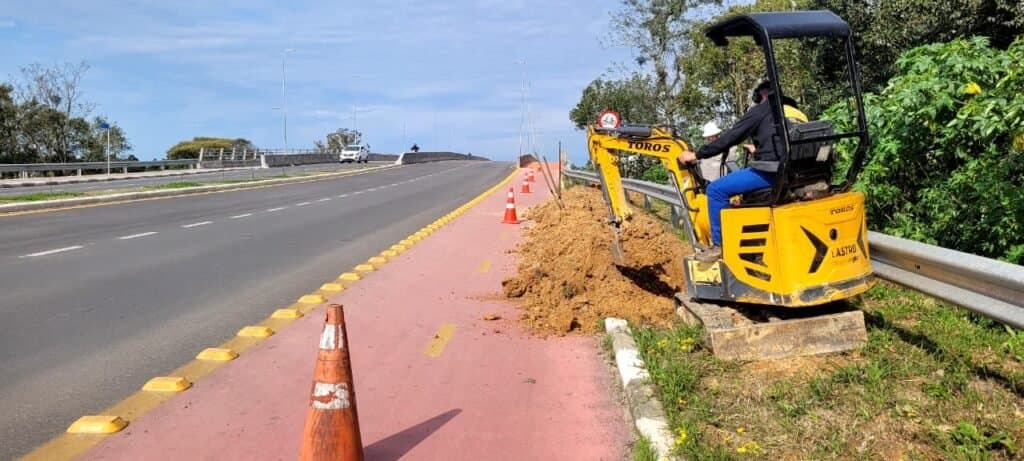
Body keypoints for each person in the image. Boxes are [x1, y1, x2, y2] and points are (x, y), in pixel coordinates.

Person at [679, 80, 807, 262]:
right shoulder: (795, 110)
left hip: (773, 174)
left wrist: (696, 154)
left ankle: (719, 246)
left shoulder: (763, 109)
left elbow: (731, 137)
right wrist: (759, 149)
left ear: (762, 95)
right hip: (799, 173)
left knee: (715, 190)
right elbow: (786, 139)